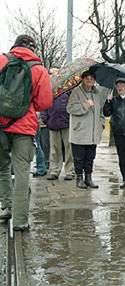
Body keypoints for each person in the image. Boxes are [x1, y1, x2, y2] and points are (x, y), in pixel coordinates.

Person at [0, 34, 52, 230]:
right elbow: (44, 102)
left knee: (2, 167)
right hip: (24, 126)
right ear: (33, 48)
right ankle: (20, 220)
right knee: (22, 171)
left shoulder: (2, 59)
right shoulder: (39, 69)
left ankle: (5, 208)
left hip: (0, 124)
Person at [67, 70, 108, 189]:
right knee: (79, 157)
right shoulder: (76, 92)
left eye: (91, 78)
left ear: (95, 80)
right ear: (83, 79)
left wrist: (101, 123)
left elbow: (100, 111)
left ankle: (88, 178)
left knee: (90, 157)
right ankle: (79, 178)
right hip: (80, 131)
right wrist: (85, 105)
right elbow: (70, 108)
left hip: (93, 132)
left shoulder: (97, 93)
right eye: (86, 78)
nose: (89, 80)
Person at [42, 91, 74, 181]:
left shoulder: (69, 89)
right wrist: (45, 118)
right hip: (52, 122)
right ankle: (54, 170)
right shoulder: (49, 89)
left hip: (67, 123)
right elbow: (44, 104)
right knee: (54, 148)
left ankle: (70, 171)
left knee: (69, 148)